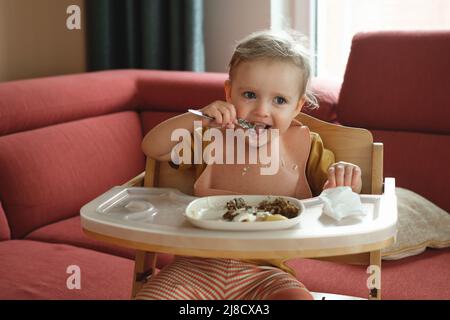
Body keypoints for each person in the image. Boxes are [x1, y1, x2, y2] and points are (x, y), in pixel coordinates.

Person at [138, 29, 362, 300]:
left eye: (279, 100)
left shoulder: (307, 147)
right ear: (229, 92)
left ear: (297, 106)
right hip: (194, 268)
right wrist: (198, 119)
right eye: (249, 95)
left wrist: (344, 182)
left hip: (266, 275)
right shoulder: (210, 138)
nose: (262, 111)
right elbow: (152, 147)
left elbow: (334, 199)